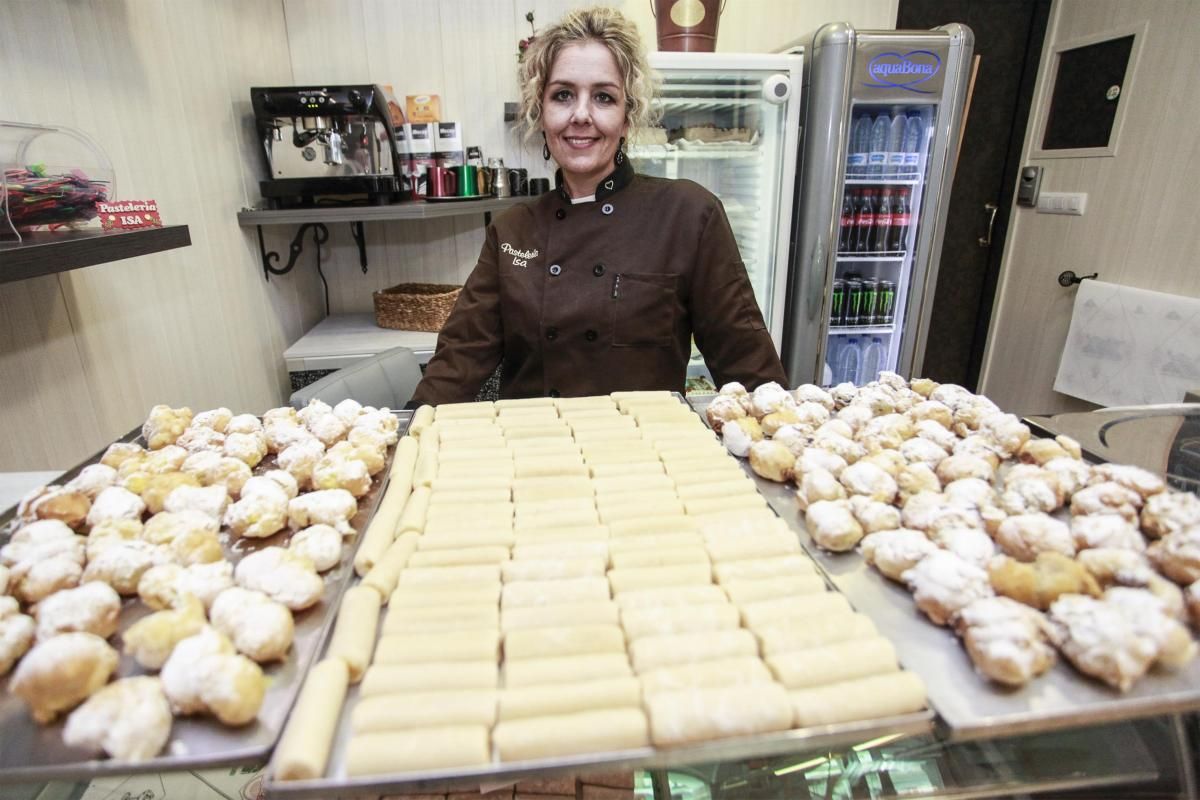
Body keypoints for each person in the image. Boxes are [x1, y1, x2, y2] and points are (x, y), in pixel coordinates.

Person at [410, 6, 787, 405]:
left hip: (645, 454)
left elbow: (749, 367)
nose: (581, 115)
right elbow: (460, 356)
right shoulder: (512, 230)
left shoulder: (689, 214)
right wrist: (411, 431)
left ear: (627, 116)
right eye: (563, 95)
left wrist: (778, 433)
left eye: (604, 97)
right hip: (534, 449)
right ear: (541, 112)